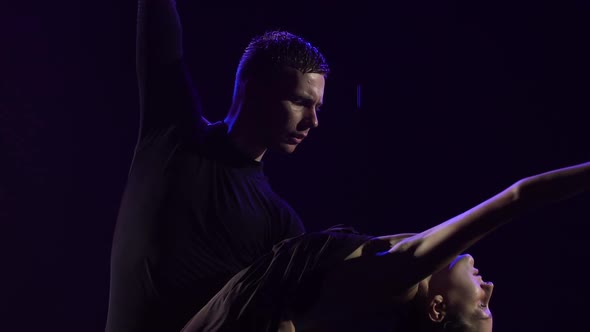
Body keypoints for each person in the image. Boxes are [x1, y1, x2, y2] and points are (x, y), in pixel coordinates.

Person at [104, 0, 330, 331]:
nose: (313, 121)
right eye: (299, 102)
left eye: (317, 107)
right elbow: (160, 27)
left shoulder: (280, 222)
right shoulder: (173, 136)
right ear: (253, 89)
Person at [181, 160, 590, 332]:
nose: (490, 288)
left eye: (481, 305)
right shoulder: (394, 277)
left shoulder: (397, 278)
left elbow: (519, 198)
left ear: (437, 308)